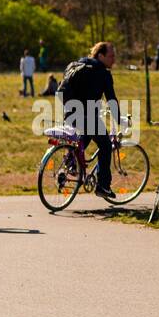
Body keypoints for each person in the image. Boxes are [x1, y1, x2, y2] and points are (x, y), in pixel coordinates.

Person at [59, 41, 120, 201]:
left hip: (69, 112)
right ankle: (103, 186)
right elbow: (111, 100)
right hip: (88, 116)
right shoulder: (103, 73)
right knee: (106, 145)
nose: (114, 59)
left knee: (84, 137)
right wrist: (119, 118)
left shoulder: (77, 64)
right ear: (100, 55)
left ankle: (69, 165)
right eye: (111, 56)